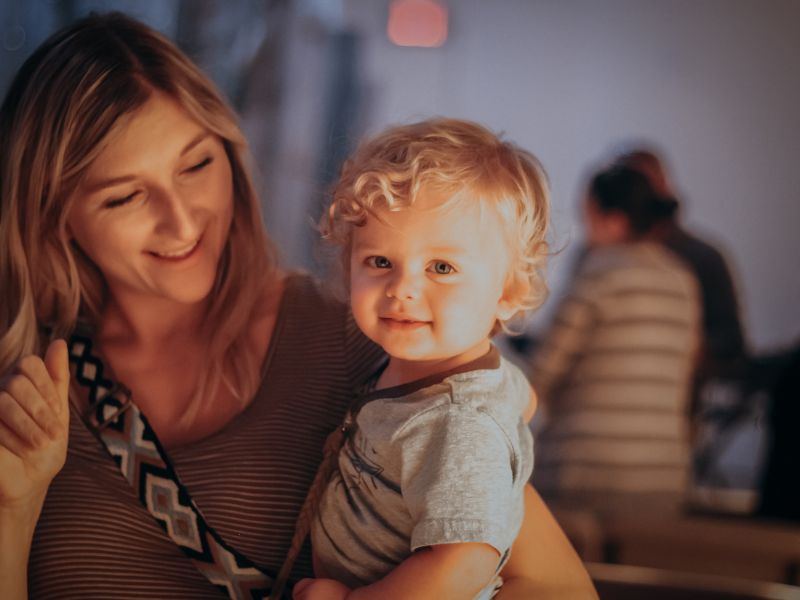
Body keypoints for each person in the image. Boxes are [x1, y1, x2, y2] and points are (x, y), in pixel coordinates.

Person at [0, 12, 596, 600]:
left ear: (231, 156)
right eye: (126, 196)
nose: (181, 221)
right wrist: (15, 509)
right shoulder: (21, 389)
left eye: (197, 165)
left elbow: (556, 588)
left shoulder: (370, 337)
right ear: (56, 216)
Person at [289, 118, 548, 600]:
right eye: (380, 262)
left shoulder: (459, 423)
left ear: (509, 293)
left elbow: (464, 562)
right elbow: (523, 398)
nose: (402, 288)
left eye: (442, 268)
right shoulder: (466, 375)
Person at [530, 165, 700, 516]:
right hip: (662, 474)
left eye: (586, 215)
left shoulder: (598, 273)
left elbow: (544, 373)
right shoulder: (682, 280)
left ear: (613, 219)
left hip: (587, 470)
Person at [614, 149, 748, 385]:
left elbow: (731, 343)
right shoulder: (599, 260)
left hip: (679, 399)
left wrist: (675, 348)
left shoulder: (702, 259)